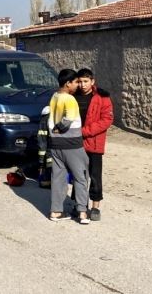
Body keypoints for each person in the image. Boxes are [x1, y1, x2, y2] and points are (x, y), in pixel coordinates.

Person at [48, 68, 89, 224]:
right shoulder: (70, 99)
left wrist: (55, 131)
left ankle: (56, 212)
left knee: (58, 177)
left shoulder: (54, 96)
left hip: (55, 143)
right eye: (76, 82)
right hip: (72, 144)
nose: (78, 85)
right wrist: (60, 127)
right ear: (68, 83)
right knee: (81, 176)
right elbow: (68, 119)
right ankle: (82, 212)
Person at [75, 68, 114, 221]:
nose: (83, 85)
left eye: (86, 81)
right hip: (77, 143)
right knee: (79, 176)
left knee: (95, 176)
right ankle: (79, 205)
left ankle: (95, 206)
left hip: (95, 143)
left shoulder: (102, 98)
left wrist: (84, 131)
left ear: (92, 82)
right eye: (80, 81)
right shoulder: (73, 96)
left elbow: (106, 120)